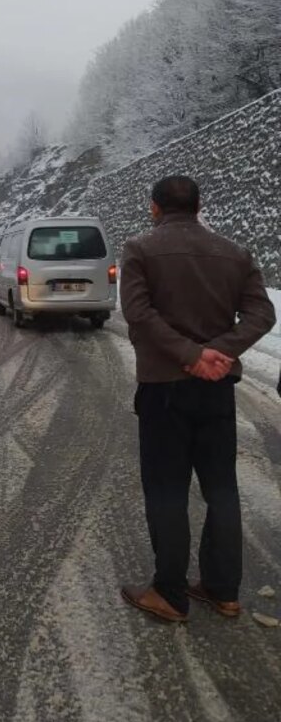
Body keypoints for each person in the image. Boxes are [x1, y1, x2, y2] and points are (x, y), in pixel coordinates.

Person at [120, 175, 276, 623]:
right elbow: (262, 313)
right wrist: (220, 352)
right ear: (199, 206)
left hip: (164, 390)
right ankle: (222, 589)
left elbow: (138, 312)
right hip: (216, 390)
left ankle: (169, 592)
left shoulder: (140, 250)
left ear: (154, 207)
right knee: (222, 488)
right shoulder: (235, 253)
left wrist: (190, 355)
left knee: (167, 490)